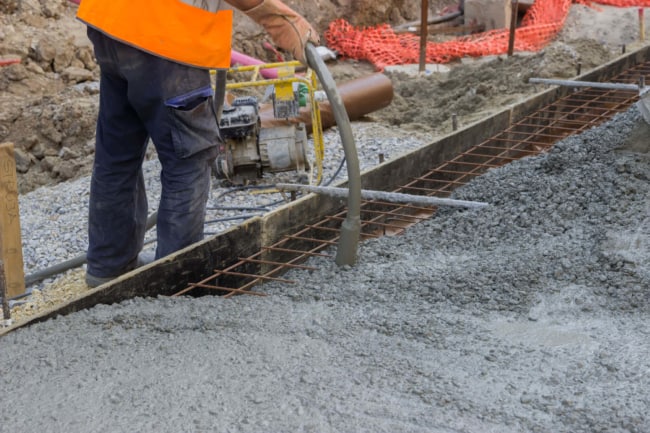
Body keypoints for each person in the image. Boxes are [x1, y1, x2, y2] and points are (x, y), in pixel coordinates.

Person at [76, 0, 319, 287]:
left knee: (117, 155)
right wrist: (282, 21)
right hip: (166, 33)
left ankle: (108, 267)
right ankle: (176, 281)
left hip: (111, 24)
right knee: (188, 160)